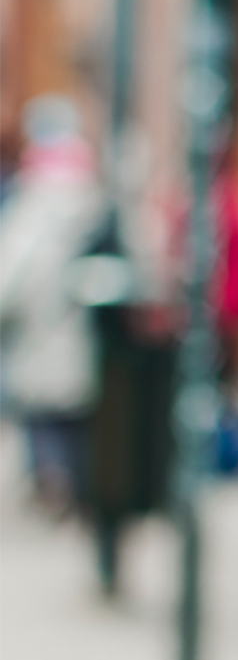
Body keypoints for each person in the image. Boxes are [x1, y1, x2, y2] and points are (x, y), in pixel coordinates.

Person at [0, 96, 109, 515]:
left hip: (38, 330)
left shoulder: (32, 204)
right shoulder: (93, 196)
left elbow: (13, 271)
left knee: (41, 411)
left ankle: (51, 482)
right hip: (84, 333)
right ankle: (75, 485)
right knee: (75, 414)